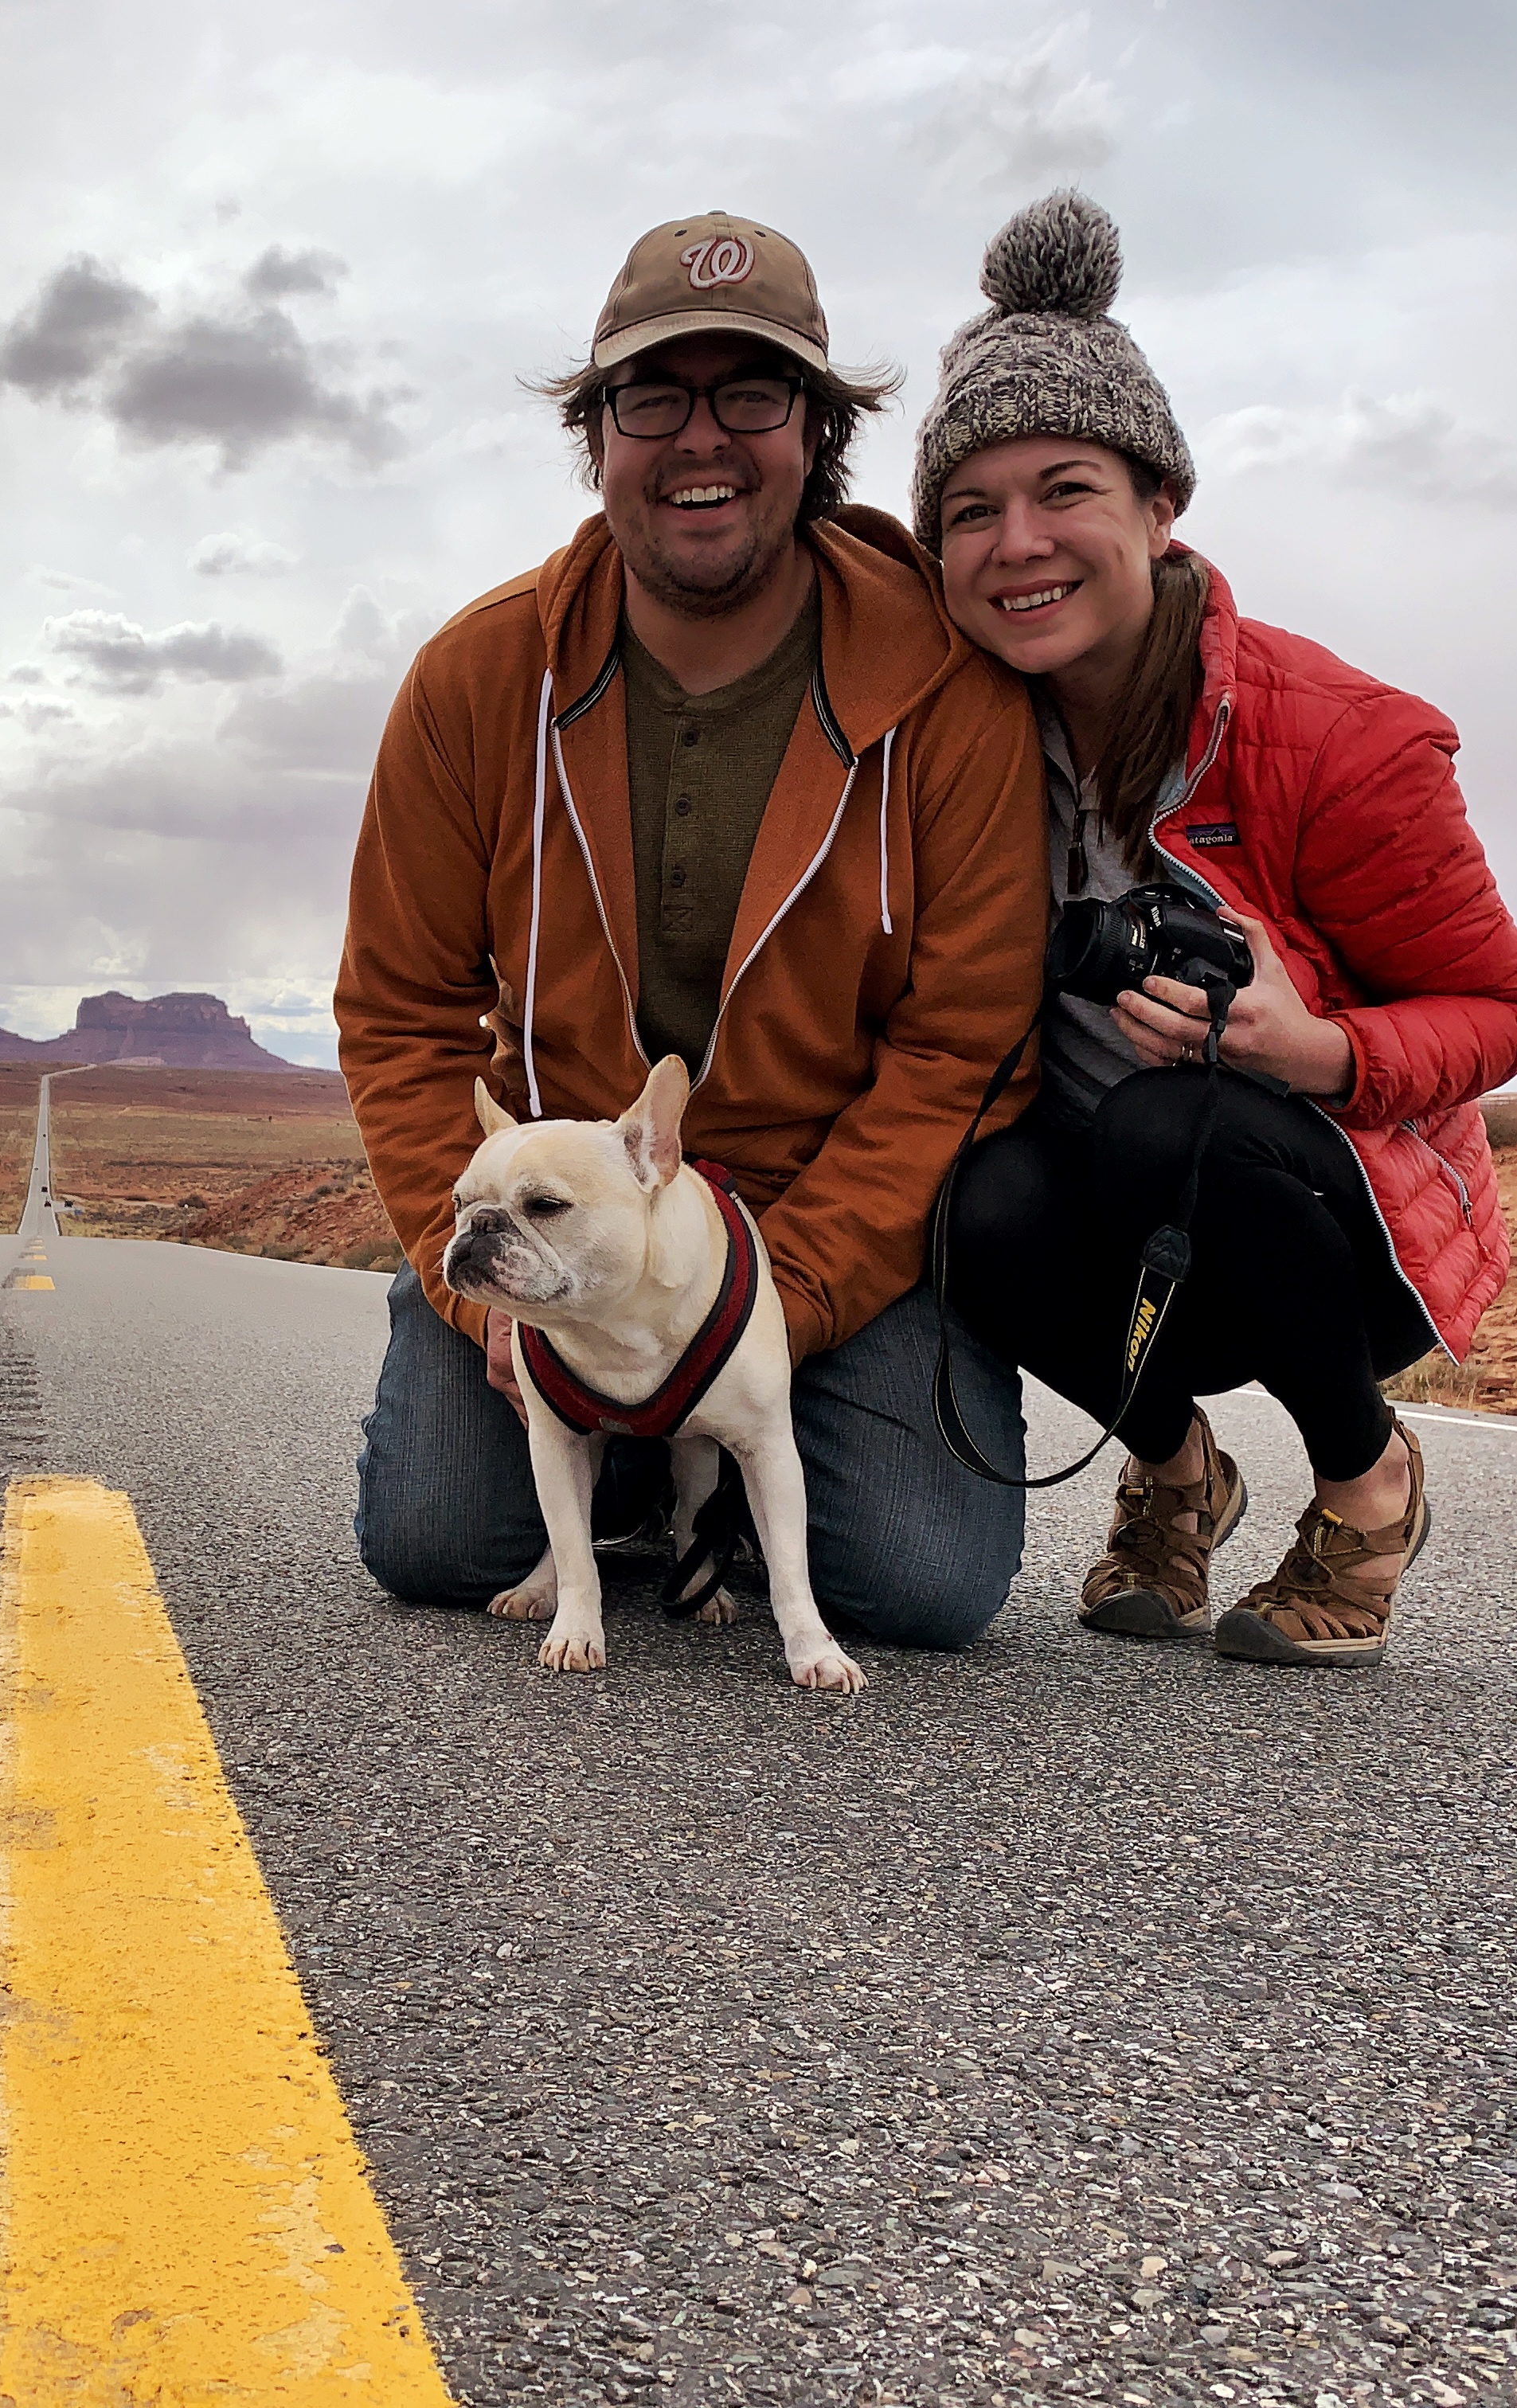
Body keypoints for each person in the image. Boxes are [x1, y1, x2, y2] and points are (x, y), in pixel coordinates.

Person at [336, 210, 1048, 1649]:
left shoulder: (948, 689)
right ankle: (633, 1465)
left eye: (753, 396)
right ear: (597, 432)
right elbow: (401, 1014)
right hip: (566, 1224)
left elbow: (966, 1045)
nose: (700, 441)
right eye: (652, 398)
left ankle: (715, 1461)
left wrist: (789, 1294)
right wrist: (476, 1282)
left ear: (818, 431)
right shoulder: (480, 680)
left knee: (915, 1585)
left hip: (822, 1228)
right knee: (431, 1545)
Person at [917, 190, 1517, 1667]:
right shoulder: (953, 734)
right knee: (969, 1198)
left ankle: (1364, 1482)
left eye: (1065, 491)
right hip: (1125, 1241)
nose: (1019, 545)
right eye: (970, 510)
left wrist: (1312, 1048)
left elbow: (1503, 1009)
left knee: (1161, 1122)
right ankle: (1179, 1471)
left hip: (1335, 1223)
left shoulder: (1333, 737)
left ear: (1159, 505)